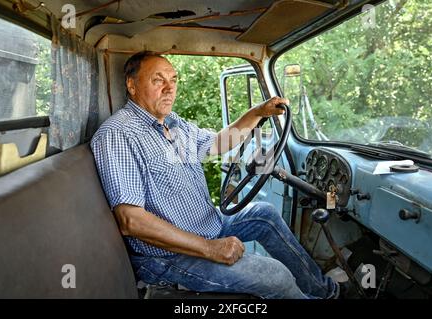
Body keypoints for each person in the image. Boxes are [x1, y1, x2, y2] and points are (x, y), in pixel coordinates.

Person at [90, 51, 339, 299]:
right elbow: (131, 220)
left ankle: (324, 292)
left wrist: (258, 113)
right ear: (132, 86)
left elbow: (218, 143)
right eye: (158, 80)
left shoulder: (173, 123)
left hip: (207, 225)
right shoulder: (118, 134)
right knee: (275, 276)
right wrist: (210, 248)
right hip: (167, 257)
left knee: (265, 214)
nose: (169, 88)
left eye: (173, 80)